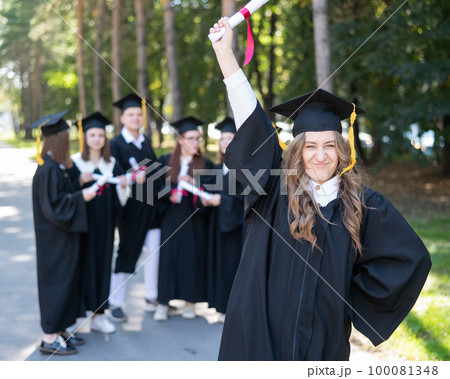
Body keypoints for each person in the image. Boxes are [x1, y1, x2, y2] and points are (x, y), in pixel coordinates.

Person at [210, 18, 431, 360]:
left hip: (323, 340)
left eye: (329, 145)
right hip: (260, 334)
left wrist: (354, 296)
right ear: (297, 150)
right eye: (310, 146)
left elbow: (409, 257)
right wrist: (225, 54)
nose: (320, 155)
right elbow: (251, 121)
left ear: (342, 148)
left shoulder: (363, 204)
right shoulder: (272, 190)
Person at [31, 110, 96, 355]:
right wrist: (82, 197)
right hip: (53, 241)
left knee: (67, 282)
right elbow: (55, 207)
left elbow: (61, 193)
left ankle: (59, 329)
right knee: (55, 284)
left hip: (63, 238)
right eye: (66, 136)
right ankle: (49, 337)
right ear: (56, 140)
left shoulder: (56, 167)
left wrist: (78, 183)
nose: (69, 140)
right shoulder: (47, 169)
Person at [71, 112, 129, 334]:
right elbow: (69, 194)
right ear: (85, 137)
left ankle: (98, 316)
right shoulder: (76, 162)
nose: (97, 139)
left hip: (105, 227)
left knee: (102, 268)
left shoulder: (111, 163)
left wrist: (124, 185)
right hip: (82, 226)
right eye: (92, 135)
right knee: (81, 268)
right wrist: (78, 181)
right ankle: (75, 317)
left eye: (101, 135)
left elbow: (119, 200)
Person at [153, 117, 215, 321]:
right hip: (172, 216)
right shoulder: (165, 160)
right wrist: (169, 192)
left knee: (192, 258)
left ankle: (190, 302)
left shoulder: (206, 164)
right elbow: (155, 188)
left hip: (194, 217)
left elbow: (211, 190)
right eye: (190, 138)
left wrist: (195, 184)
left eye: (197, 138)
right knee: (168, 258)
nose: (195, 142)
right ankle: (163, 303)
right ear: (180, 140)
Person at [108, 94, 162, 322]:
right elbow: (114, 177)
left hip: (151, 208)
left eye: (139, 114)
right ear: (122, 118)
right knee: (127, 254)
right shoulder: (116, 145)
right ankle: (115, 303)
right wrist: (130, 177)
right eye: (131, 114)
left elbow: (156, 171)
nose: (136, 118)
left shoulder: (145, 141)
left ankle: (152, 296)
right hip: (130, 210)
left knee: (154, 253)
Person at [201, 117, 245, 323]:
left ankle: (235, 309)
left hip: (237, 229)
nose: (225, 142)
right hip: (219, 227)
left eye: (231, 137)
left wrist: (223, 201)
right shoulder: (220, 168)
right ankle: (222, 307)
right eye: (223, 138)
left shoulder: (246, 169)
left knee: (234, 266)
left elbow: (246, 200)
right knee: (221, 265)